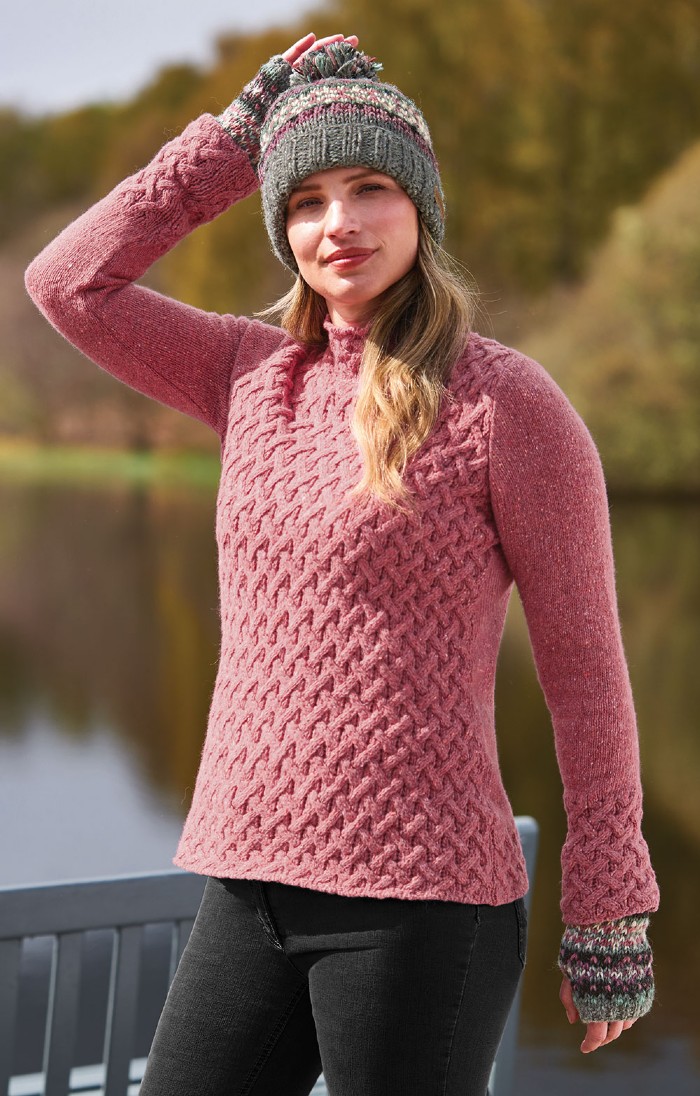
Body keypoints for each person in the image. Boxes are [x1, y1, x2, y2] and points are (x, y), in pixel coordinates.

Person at [25, 31, 660, 1096]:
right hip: (247, 880)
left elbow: (586, 671)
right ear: (281, 227)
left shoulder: (507, 405)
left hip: (421, 904)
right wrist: (231, 143)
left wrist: (609, 901)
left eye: (370, 188)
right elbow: (67, 283)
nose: (339, 224)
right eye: (307, 200)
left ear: (421, 207)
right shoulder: (247, 372)